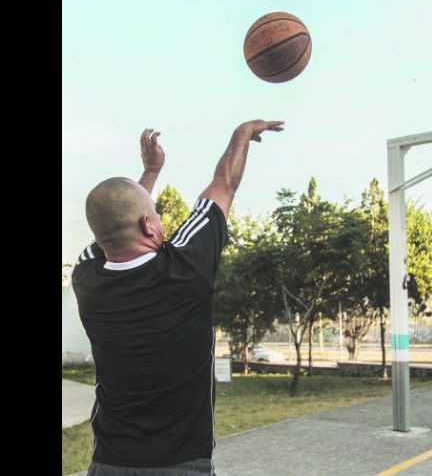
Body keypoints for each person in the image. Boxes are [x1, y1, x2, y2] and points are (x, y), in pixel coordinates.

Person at [72, 119, 284, 475]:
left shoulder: (86, 277)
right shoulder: (186, 268)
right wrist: (243, 133)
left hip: (108, 463)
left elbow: (113, 221)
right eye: (155, 213)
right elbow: (225, 185)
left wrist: (149, 173)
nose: (159, 217)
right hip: (182, 463)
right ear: (148, 226)